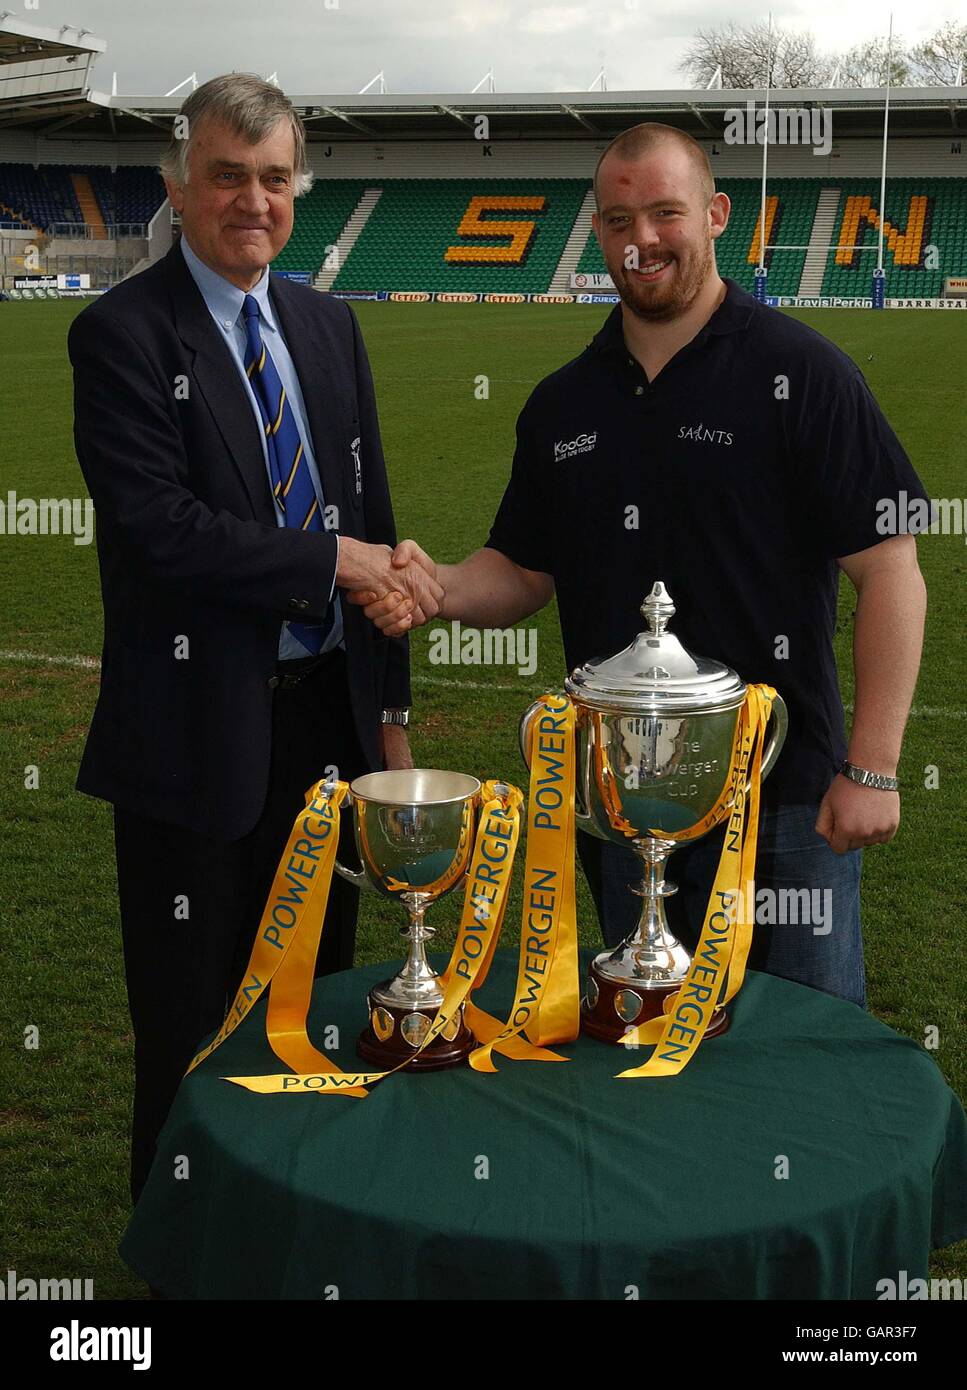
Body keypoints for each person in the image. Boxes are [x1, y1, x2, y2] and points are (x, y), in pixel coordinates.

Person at [352, 122, 930, 1010]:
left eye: (665, 213)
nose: (642, 240)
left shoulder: (802, 374)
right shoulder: (563, 401)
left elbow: (890, 570)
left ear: (716, 214)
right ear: (596, 230)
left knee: (801, 1058)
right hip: (619, 804)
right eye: (619, 219)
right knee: (638, 1044)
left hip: (780, 806)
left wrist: (874, 765)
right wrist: (439, 588)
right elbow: (522, 571)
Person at [69, 73, 443, 1204]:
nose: (252, 200)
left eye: (274, 178)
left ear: (298, 190)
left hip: (326, 725)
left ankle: (288, 1228)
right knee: (190, 1017)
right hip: (193, 735)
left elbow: (371, 521)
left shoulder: (327, 325)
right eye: (227, 176)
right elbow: (162, 531)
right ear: (179, 186)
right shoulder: (121, 335)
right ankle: (183, 1254)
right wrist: (333, 561)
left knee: (314, 1000)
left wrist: (389, 717)